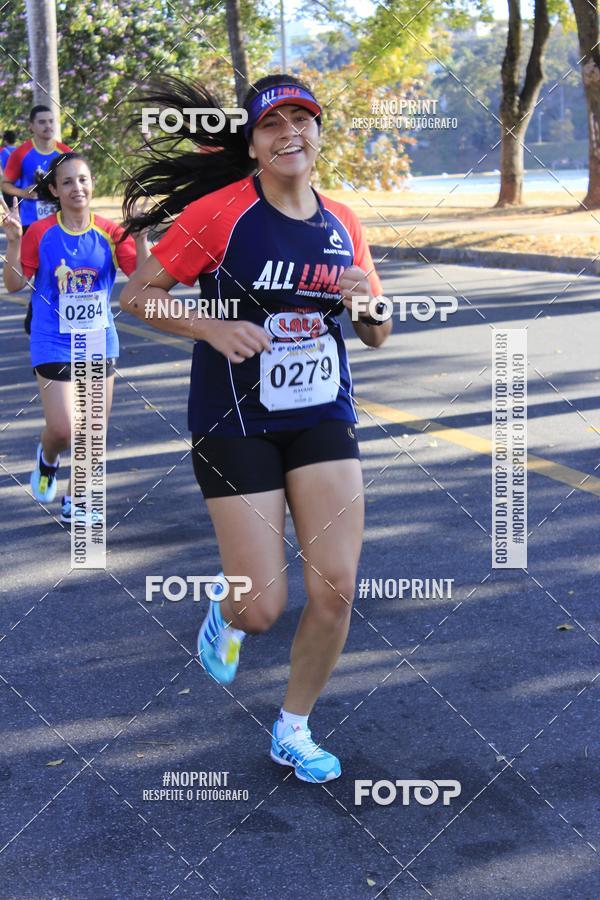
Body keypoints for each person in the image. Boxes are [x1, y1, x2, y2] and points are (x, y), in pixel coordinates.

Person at [119, 73, 392, 784]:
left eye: (303, 120)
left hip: (322, 413)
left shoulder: (344, 223)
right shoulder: (220, 215)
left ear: (319, 134)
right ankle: (228, 612)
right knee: (263, 606)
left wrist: (369, 306)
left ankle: (293, 729)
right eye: (273, 124)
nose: (290, 134)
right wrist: (211, 325)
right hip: (232, 418)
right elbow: (137, 296)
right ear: (254, 141)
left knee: (335, 585)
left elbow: (375, 334)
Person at [1, 152, 149, 523]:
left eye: (82, 179)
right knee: (65, 428)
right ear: (53, 189)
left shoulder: (111, 232)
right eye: (66, 182)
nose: (76, 187)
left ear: (91, 183)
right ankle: (47, 458)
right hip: (52, 338)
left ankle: (77, 499)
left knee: (91, 428)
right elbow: (15, 285)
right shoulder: (41, 233)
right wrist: (14, 241)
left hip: (99, 339)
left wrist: (143, 237)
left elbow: (144, 280)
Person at [1, 106, 72, 334]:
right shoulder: (21, 153)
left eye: (51, 121)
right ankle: (37, 311)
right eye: (42, 122)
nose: (48, 126)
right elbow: (5, 184)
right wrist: (24, 193)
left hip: (58, 221)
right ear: (31, 126)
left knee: (56, 266)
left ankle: (54, 311)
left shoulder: (65, 153)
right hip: (30, 221)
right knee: (37, 268)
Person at [0, 129, 17, 207]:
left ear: (5, 141)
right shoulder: (21, 151)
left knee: (11, 213)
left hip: (8, 187)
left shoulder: (2, 152)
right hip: (22, 187)